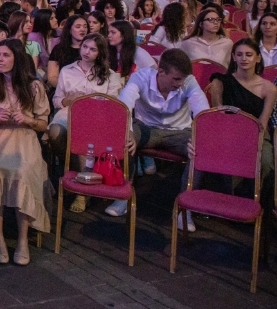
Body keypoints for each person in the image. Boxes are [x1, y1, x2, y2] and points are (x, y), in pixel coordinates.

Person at [107, 49, 209, 226]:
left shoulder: (188, 82)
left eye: (183, 79)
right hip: (147, 128)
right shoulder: (141, 77)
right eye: (176, 79)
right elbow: (124, 105)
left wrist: (199, 137)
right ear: (161, 72)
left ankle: (185, 209)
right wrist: (128, 131)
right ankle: (124, 194)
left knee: (200, 151)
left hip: (179, 131)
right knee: (124, 140)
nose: (180, 83)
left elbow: (203, 112)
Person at [0, 39, 51, 265]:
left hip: (24, 138)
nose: (0, 60)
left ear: (17, 58)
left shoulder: (33, 87)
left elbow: (44, 123)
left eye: (5, 55)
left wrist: (28, 120)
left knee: (24, 169)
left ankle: (23, 239)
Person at [48, 34, 123, 213]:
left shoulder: (110, 75)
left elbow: (114, 104)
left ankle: (81, 192)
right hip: (68, 113)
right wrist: (68, 100)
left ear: (100, 53)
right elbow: (57, 100)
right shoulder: (67, 70)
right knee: (54, 132)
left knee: (81, 133)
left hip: (96, 118)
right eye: (84, 47)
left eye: (92, 49)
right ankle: (78, 172)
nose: (86, 52)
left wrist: (90, 102)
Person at [205, 38, 276, 184]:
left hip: (257, 133)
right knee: (225, 157)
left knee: (265, 161)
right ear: (233, 57)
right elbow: (219, 117)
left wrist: (247, 141)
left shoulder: (269, 88)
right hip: (226, 132)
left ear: (257, 58)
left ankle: (256, 201)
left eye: (249, 55)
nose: (244, 58)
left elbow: (263, 121)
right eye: (239, 54)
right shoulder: (220, 82)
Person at [47, 14, 88, 89]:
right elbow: (52, 77)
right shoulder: (58, 49)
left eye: (85, 26)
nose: (83, 29)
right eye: (78, 27)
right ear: (69, 30)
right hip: (63, 90)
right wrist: (66, 88)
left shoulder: (91, 49)